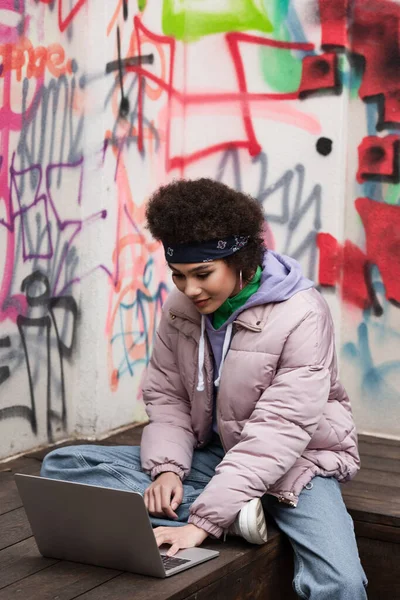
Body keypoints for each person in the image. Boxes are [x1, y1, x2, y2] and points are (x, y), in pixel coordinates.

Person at [41, 178, 368, 599]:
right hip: (214, 456)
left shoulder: (302, 315)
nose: (189, 290)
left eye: (202, 274)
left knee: (340, 582)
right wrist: (167, 470)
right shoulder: (181, 310)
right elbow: (168, 397)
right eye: (178, 275)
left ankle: (226, 509)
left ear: (241, 260)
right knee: (64, 466)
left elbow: (280, 430)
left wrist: (201, 523)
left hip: (298, 462)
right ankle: (239, 513)